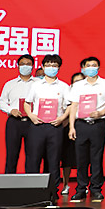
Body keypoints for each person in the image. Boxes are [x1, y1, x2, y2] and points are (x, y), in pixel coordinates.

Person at [67, 58, 105, 202]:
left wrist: (101, 112)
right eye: (88, 66)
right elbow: (73, 106)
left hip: (98, 124)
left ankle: (96, 189)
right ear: (83, 68)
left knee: (97, 158)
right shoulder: (78, 85)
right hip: (81, 124)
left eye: (94, 65)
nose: (91, 68)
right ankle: (81, 189)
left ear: (98, 67)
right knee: (81, 159)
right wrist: (71, 126)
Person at [24, 54, 71, 196]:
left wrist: (62, 118)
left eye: (54, 66)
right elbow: (27, 103)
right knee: (33, 159)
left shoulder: (64, 86)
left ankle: (52, 191)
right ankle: (31, 191)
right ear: (43, 67)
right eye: (48, 65)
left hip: (55, 127)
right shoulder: (36, 85)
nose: (51, 68)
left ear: (59, 68)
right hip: (37, 126)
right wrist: (31, 116)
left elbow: (69, 106)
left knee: (54, 160)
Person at [0, 54, 39, 173]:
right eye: (22, 64)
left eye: (28, 64)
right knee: (12, 154)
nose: (25, 66)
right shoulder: (10, 84)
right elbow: (1, 102)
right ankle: (9, 181)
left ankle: (31, 181)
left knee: (33, 155)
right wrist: (11, 110)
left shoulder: (38, 83)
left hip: (33, 122)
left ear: (33, 66)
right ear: (18, 66)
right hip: (14, 122)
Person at [61, 71, 84, 196]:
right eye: (76, 81)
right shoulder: (67, 94)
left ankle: (83, 184)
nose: (78, 84)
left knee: (83, 157)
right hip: (67, 127)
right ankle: (65, 184)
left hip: (83, 126)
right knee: (67, 158)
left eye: (81, 81)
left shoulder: (88, 93)